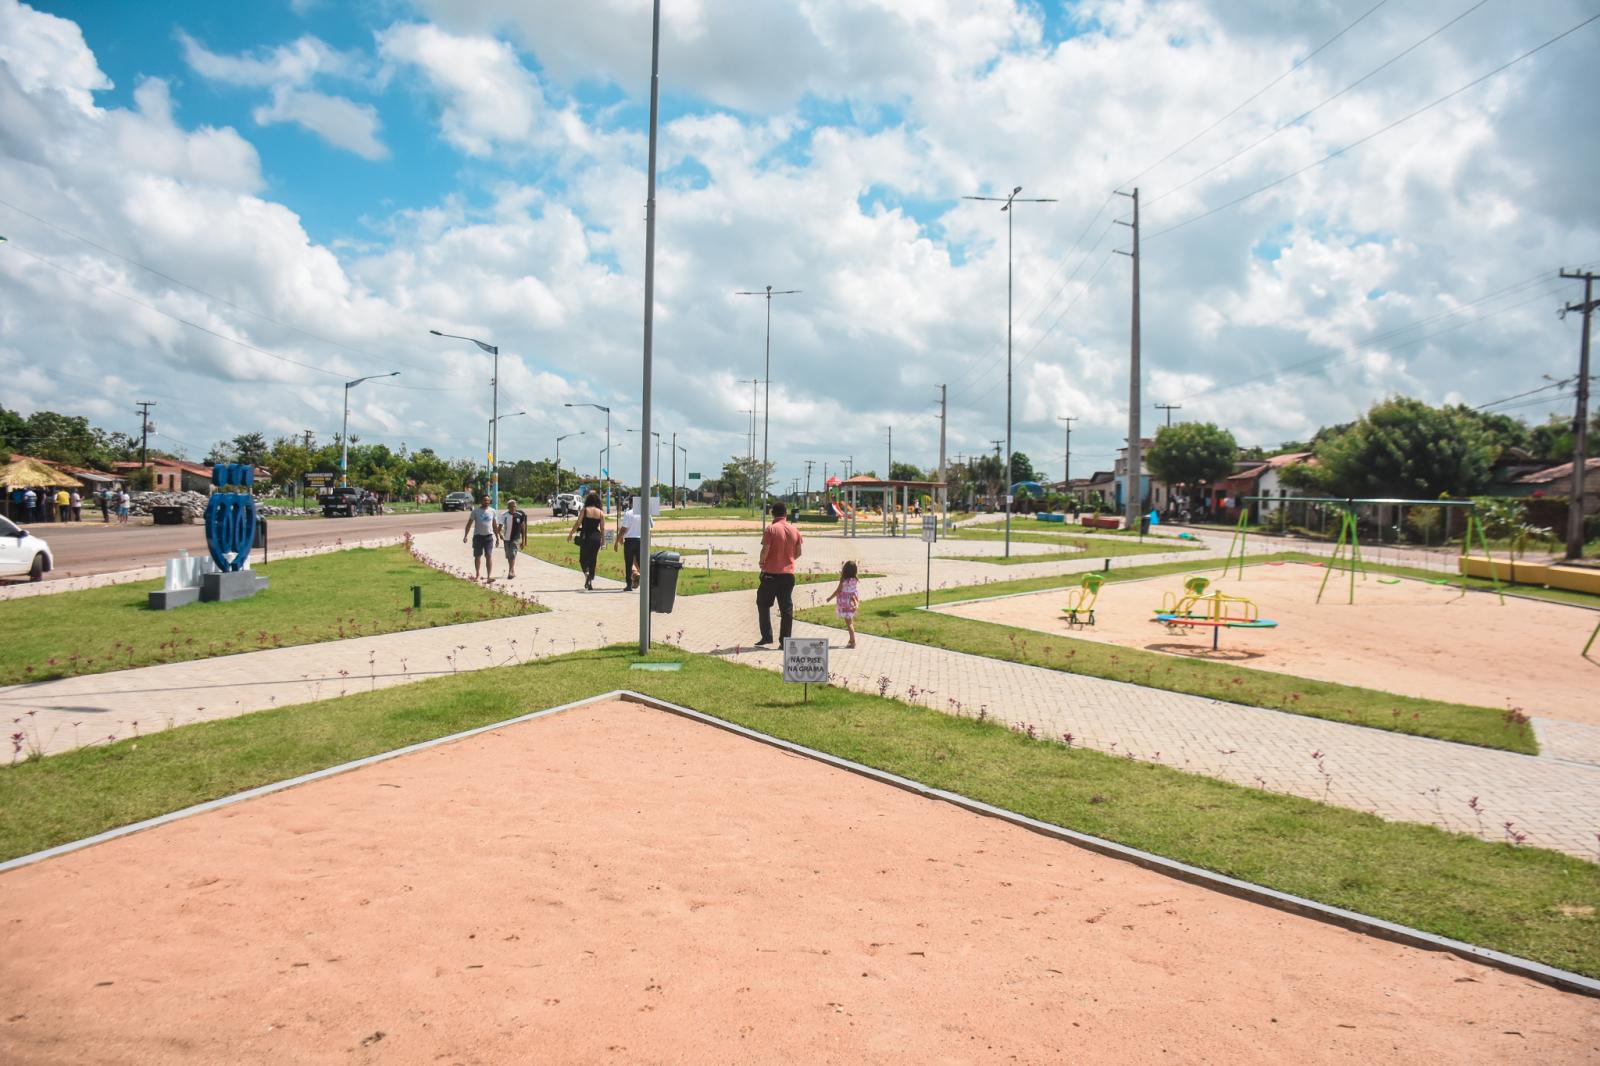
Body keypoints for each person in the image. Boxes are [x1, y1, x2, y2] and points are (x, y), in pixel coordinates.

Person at [754, 500, 803, 647]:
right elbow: (799, 552)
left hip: (771, 574)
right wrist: (788, 560)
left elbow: (765, 550)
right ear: (786, 513)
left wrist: (762, 562)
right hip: (788, 575)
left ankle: (767, 636)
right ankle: (785, 641)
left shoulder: (771, 529)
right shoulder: (795, 530)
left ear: (772, 513)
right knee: (786, 609)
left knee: (762, 604)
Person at [567, 490, 606, 590]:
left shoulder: (584, 510)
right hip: (596, 537)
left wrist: (571, 533)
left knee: (583, 558)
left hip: (586, 536)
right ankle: (590, 581)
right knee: (593, 559)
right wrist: (603, 541)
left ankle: (587, 573)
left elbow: (578, 523)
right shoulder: (601, 512)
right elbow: (602, 528)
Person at [614, 496, 649, 592]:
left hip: (629, 541)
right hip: (641, 540)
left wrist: (617, 541)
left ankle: (629, 585)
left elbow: (623, 529)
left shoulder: (629, 513)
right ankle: (647, 584)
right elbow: (649, 528)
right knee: (642, 563)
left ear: (630, 503)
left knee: (628, 563)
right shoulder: (645, 513)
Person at [824, 560, 861, 649]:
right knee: (850, 621)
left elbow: (838, 591)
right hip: (853, 602)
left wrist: (830, 598)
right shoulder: (855, 580)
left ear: (845, 570)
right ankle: (850, 641)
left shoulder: (843, 580)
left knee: (849, 623)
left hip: (845, 604)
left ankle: (853, 641)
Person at [462, 493, 498, 581]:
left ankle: (489, 576)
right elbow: (469, 524)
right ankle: (477, 575)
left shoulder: (492, 511)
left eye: (488, 500)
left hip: (488, 537)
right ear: (481, 501)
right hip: (478, 536)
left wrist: (497, 537)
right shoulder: (475, 511)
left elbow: (494, 525)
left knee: (488, 556)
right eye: (485, 500)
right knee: (477, 556)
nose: (486, 502)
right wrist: (465, 535)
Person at [495, 498, 527, 580]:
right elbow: (499, 527)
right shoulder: (504, 515)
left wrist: (523, 541)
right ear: (508, 507)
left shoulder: (520, 515)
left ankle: (510, 571)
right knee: (509, 555)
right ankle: (512, 570)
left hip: (515, 538)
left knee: (512, 554)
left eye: (515, 506)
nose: (514, 508)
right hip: (506, 538)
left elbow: (523, 529)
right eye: (512, 506)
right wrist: (500, 534)